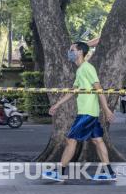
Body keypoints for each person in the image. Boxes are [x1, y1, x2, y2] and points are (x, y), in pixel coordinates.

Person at [42, 42, 116, 182]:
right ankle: (109, 172)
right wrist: (57, 105)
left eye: (72, 50)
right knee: (98, 141)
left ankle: (60, 172)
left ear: (80, 52)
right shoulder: (80, 70)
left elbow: (99, 89)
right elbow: (73, 91)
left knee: (71, 140)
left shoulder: (87, 68)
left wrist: (107, 110)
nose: (69, 52)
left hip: (87, 113)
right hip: (90, 112)